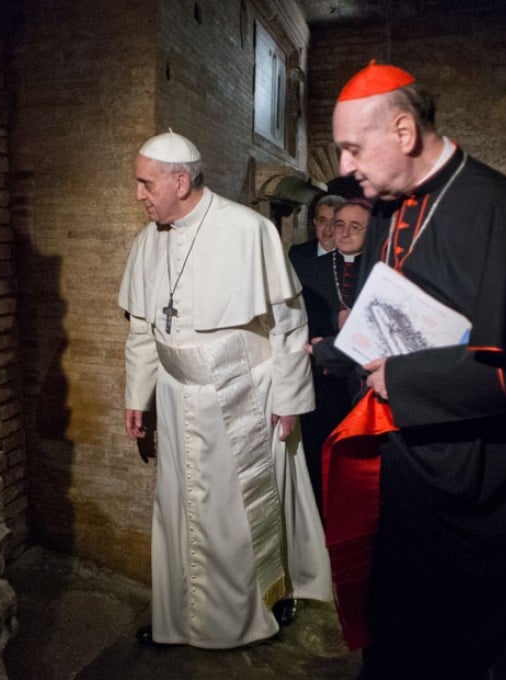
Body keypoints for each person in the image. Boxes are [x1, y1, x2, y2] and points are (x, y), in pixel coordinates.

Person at [321, 62, 506, 678]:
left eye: (352, 147)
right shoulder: (386, 207)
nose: (343, 167)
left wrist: (404, 379)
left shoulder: (499, 207)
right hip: (403, 459)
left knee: (460, 643)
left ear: (403, 131)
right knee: (392, 621)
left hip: (472, 475)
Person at [118, 130, 332, 649]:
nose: (139, 195)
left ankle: (251, 615)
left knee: (235, 516)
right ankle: (180, 619)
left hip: (240, 395)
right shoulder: (149, 240)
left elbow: (288, 323)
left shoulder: (248, 230)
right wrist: (136, 396)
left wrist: (289, 399)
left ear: (180, 180)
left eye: (146, 184)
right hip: (174, 396)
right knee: (180, 514)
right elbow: (144, 330)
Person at [294, 197, 372, 512]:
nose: (343, 232)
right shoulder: (310, 268)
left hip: (363, 385)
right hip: (323, 381)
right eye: (339, 224)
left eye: (355, 227)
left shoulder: (380, 270)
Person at [288, 193, 344, 270]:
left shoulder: (353, 258)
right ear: (315, 222)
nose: (328, 228)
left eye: (334, 222)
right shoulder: (297, 254)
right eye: (322, 221)